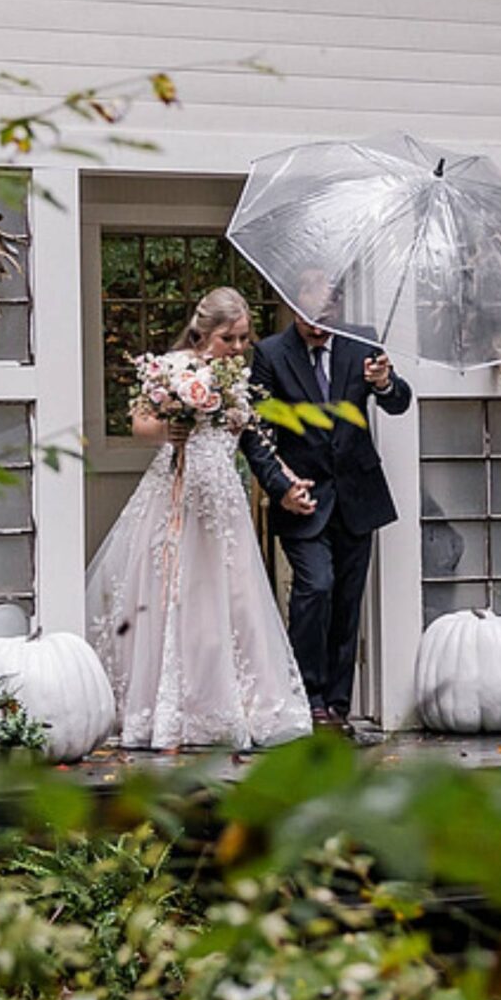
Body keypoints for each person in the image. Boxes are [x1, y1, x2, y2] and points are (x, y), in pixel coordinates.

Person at [85, 288, 319, 751]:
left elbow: (254, 439)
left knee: (232, 600)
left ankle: (241, 705)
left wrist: (286, 482)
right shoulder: (172, 368)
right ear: (203, 332)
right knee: (174, 594)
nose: (237, 348)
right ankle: (167, 708)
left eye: (243, 339)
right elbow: (140, 424)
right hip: (176, 497)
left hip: (222, 501)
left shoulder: (238, 377)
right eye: (228, 338)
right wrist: (171, 430)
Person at [251, 266, 412, 726]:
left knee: (347, 600)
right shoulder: (270, 354)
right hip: (302, 499)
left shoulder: (363, 343)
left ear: (337, 307)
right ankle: (309, 694)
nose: (314, 322)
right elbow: (257, 435)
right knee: (315, 588)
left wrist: (384, 382)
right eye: (304, 312)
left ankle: (338, 706)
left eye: (323, 312)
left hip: (358, 496)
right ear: (293, 305)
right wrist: (280, 488)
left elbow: (399, 402)